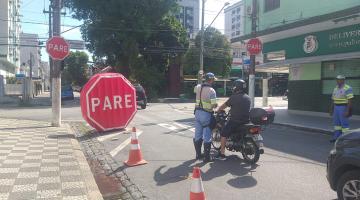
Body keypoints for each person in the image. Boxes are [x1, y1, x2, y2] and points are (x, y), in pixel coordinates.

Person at [215, 79, 251, 160]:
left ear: (236, 87)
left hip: (235, 121)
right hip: (246, 121)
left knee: (224, 134)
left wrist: (218, 110)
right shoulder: (247, 97)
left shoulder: (234, 97)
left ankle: (222, 154)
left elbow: (223, 106)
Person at [193, 72, 217, 162]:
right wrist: (216, 104)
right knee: (207, 136)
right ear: (211, 80)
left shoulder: (198, 87)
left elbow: (196, 89)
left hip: (197, 113)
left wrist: (200, 76)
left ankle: (198, 155)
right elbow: (214, 105)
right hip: (206, 114)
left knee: (198, 135)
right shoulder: (212, 91)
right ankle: (207, 158)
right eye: (213, 79)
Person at [330, 75, 354, 143]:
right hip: (336, 107)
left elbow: (350, 100)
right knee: (336, 124)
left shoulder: (348, 88)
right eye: (337, 80)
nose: (338, 81)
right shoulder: (335, 88)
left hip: (343, 107)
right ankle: (336, 137)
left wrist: (347, 110)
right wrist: (331, 109)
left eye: (340, 80)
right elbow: (333, 99)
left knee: (344, 125)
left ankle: (345, 139)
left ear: (343, 80)